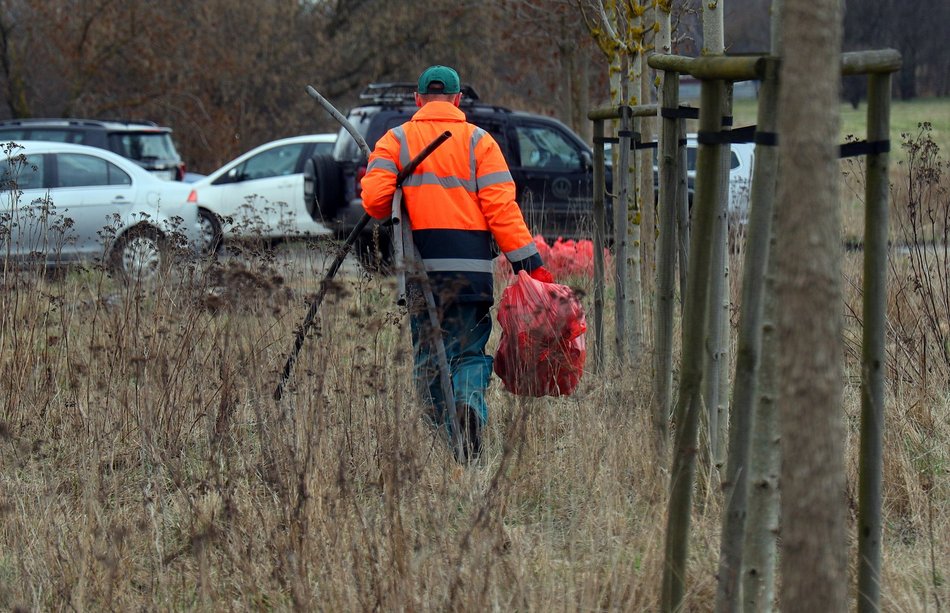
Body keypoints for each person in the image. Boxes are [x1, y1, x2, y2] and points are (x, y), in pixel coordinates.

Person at [360, 65, 553, 462]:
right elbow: (501, 209)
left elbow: (376, 202)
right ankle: (467, 408)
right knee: (466, 353)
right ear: (458, 100)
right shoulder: (480, 142)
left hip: (419, 272)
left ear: (417, 100)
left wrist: (397, 182)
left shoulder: (394, 141)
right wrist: (528, 263)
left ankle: (446, 440)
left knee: (430, 357)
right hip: (470, 271)